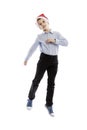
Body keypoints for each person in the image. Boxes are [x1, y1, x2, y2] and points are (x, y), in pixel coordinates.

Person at [24, 13, 68, 116]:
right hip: (43, 59)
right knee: (36, 80)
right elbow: (32, 48)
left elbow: (66, 42)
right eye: (39, 24)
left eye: (43, 22)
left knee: (51, 83)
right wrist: (27, 59)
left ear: (47, 21)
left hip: (54, 60)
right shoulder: (39, 37)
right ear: (38, 26)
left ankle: (49, 104)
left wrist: (54, 40)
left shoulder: (56, 34)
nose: (42, 24)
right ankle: (30, 98)